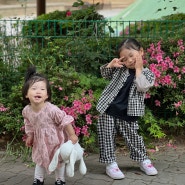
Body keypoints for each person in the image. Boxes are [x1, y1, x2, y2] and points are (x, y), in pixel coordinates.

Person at [96, 38, 158, 179]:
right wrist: (110, 65)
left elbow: (142, 86)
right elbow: (104, 74)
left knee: (134, 137)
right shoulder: (120, 69)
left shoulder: (147, 73)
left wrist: (138, 68)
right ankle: (110, 164)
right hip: (109, 108)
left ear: (141, 51)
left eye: (132, 56)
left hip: (129, 112)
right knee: (106, 136)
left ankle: (144, 160)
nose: (129, 60)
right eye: (125, 58)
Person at [22, 66, 78, 185]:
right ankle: (38, 179)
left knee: (58, 160)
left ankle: (60, 180)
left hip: (55, 140)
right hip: (40, 141)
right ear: (26, 94)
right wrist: (30, 136)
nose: (38, 91)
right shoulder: (26, 110)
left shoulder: (52, 109)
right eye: (34, 88)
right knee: (40, 159)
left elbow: (65, 120)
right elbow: (29, 123)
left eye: (42, 89)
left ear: (47, 95)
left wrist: (72, 135)